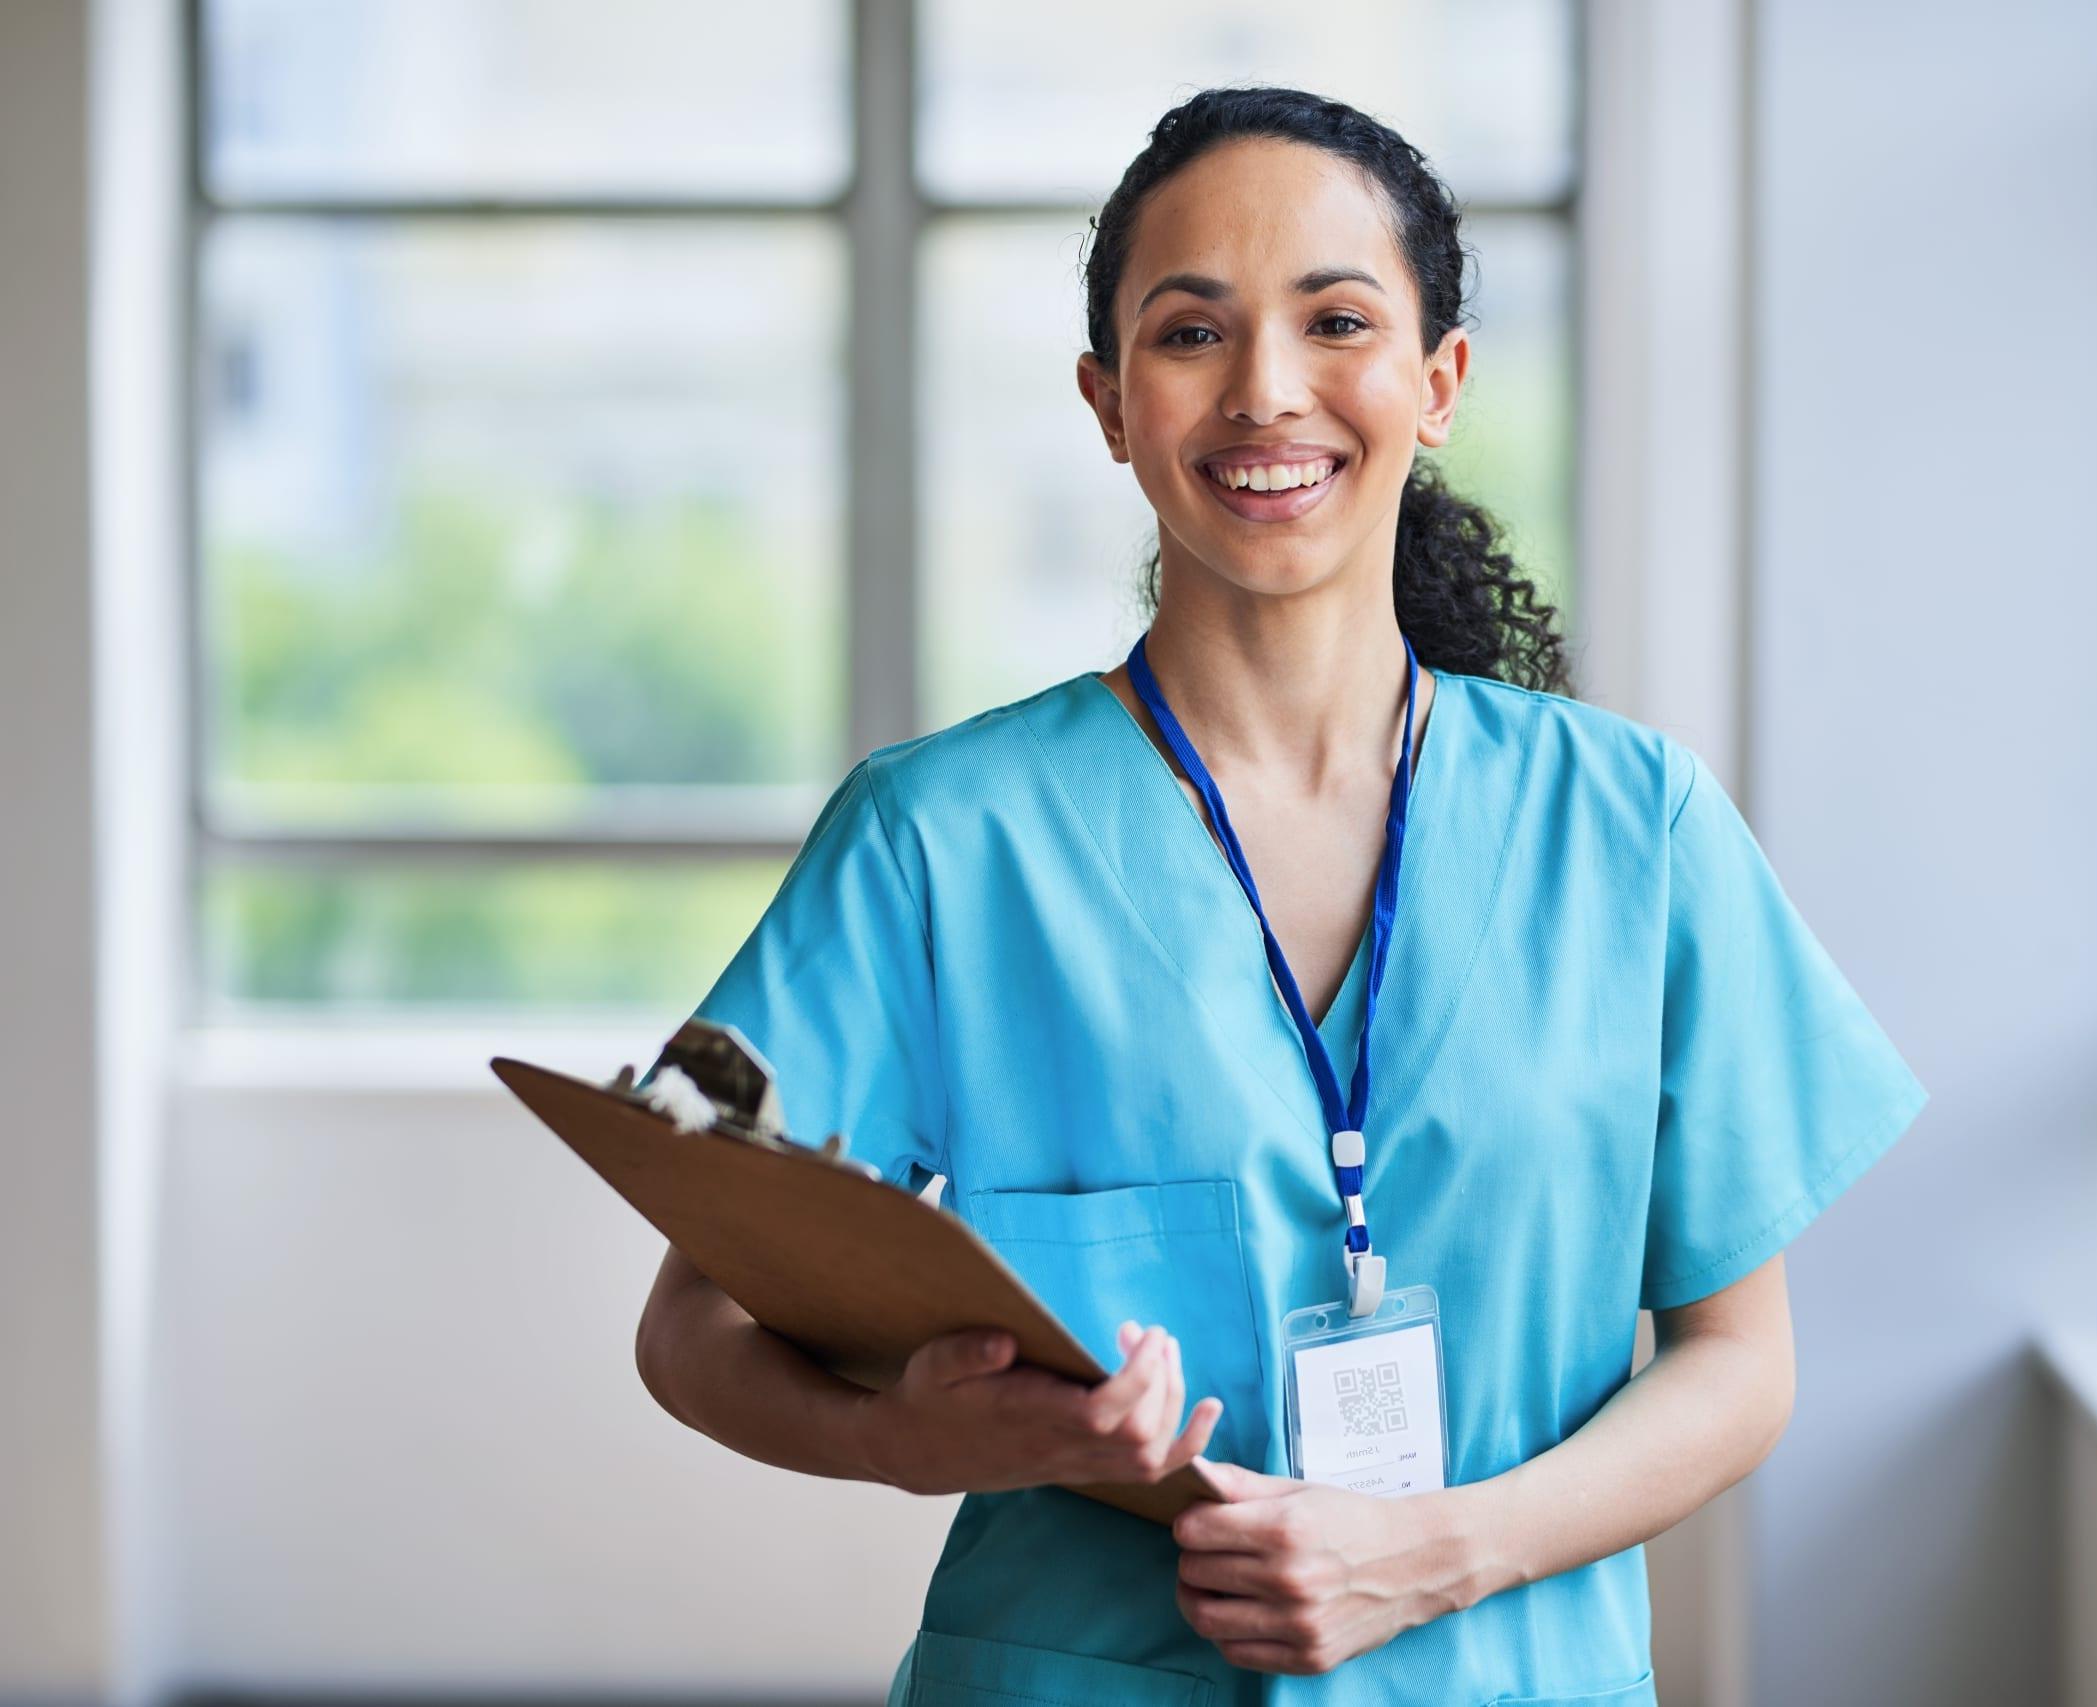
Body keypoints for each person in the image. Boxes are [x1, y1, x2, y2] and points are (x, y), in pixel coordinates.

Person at [634, 85, 1927, 1707]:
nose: (1265, 393)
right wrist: (898, 1436)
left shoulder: (1632, 827)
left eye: (1336, 321)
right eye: (1191, 334)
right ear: (1110, 404)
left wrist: (1441, 1550)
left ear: (1437, 382)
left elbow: (1739, 1364)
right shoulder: (940, 841)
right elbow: (694, 1324)